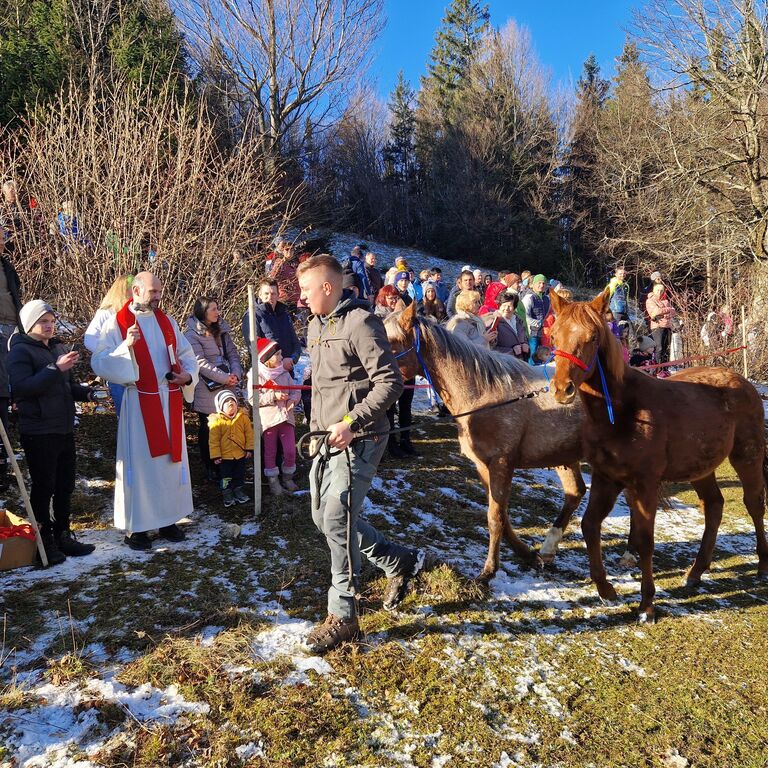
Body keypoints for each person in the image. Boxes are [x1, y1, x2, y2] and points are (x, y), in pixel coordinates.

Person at [297, 253, 426, 654]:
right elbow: (323, 387)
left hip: (361, 439)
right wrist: (317, 431)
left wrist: (351, 422)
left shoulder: (361, 323)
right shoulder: (315, 325)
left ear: (327, 287)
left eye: (306, 289)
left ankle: (344, 615)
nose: (301, 297)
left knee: (337, 517)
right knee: (324, 519)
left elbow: (389, 383)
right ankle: (397, 560)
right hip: (325, 438)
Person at [91, 272, 199, 551]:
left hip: (168, 399)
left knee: (169, 464)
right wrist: (125, 347)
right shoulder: (118, 322)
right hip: (139, 403)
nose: (158, 296)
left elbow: (187, 355)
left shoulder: (167, 321)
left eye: (159, 291)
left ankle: (168, 520)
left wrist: (187, 377)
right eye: (153, 291)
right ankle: (137, 528)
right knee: (140, 466)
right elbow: (99, 361)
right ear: (136, 291)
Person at [8, 300, 98, 564]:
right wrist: (55, 368)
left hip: (63, 427)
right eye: (43, 322)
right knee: (44, 486)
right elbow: (23, 388)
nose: (49, 326)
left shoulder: (57, 347)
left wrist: (88, 393)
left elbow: (66, 386)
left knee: (64, 485)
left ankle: (63, 534)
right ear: (29, 324)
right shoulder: (20, 351)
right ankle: (44, 541)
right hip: (38, 430)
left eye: (51, 321)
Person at [184, 297, 242, 483]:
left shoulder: (222, 330)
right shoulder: (191, 335)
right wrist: (224, 378)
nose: (217, 312)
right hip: (206, 388)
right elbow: (199, 362)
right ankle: (210, 466)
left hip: (227, 385)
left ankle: (227, 464)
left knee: (227, 425)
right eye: (213, 309)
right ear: (203, 312)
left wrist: (235, 373)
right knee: (209, 428)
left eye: (217, 308)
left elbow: (232, 353)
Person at [256, 337, 301, 495]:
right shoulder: (256, 375)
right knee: (270, 451)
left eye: (281, 353)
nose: (282, 357)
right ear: (267, 359)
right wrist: (273, 396)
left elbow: (295, 389)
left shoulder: (284, 373)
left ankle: (288, 477)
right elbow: (253, 399)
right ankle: (273, 481)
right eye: (278, 354)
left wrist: (293, 400)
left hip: (286, 418)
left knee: (290, 451)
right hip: (269, 421)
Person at [84, 274, 134, 414]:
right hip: (118, 371)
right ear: (124, 290)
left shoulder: (135, 312)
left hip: (136, 370)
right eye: (133, 288)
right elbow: (89, 339)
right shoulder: (107, 313)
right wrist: (111, 355)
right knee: (124, 413)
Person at [0, 232, 22, 489]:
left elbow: (15, 295)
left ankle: (4, 461)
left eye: (3, 238)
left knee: (7, 387)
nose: (2, 242)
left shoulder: (7, 266)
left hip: (11, 328)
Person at [241, 279, 302, 372]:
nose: (270, 297)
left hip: (286, 371)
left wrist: (292, 359)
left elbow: (295, 342)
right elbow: (254, 347)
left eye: (273, 294)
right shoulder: (252, 315)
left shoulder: (284, 314)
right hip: (267, 373)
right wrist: (279, 362)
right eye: (266, 293)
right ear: (260, 295)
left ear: (278, 295)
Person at [208, 389, 253, 507]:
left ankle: (239, 491)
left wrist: (249, 449)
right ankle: (227, 493)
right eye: (227, 402)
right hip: (224, 456)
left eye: (232, 401)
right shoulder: (217, 421)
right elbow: (213, 441)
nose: (230, 403)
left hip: (240, 454)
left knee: (239, 474)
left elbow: (249, 434)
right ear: (220, 407)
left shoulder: (243, 418)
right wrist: (216, 455)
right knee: (225, 476)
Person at [490, 291, 529, 359]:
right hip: (504, 362)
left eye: (510, 306)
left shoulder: (518, 321)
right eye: (504, 305)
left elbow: (524, 338)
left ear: (514, 308)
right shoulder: (494, 322)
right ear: (499, 306)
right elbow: (490, 348)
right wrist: (512, 351)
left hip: (520, 362)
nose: (506, 308)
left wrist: (525, 345)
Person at [521, 274, 551, 364]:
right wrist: (538, 323)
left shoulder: (546, 299)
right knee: (532, 354)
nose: (541, 285)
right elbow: (524, 316)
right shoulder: (529, 297)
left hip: (542, 332)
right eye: (539, 283)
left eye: (543, 283)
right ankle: (531, 370)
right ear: (533, 284)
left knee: (541, 355)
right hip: (531, 332)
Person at [646, 282, 676, 365]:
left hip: (667, 326)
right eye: (658, 290)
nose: (659, 292)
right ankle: (658, 367)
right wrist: (668, 310)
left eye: (661, 291)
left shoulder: (666, 301)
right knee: (659, 347)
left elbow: (673, 312)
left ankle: (665, 367)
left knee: (667, 348)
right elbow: (655, 312)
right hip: (657, 326)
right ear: (654, 291)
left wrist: (664, 313)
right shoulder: (650, 300)